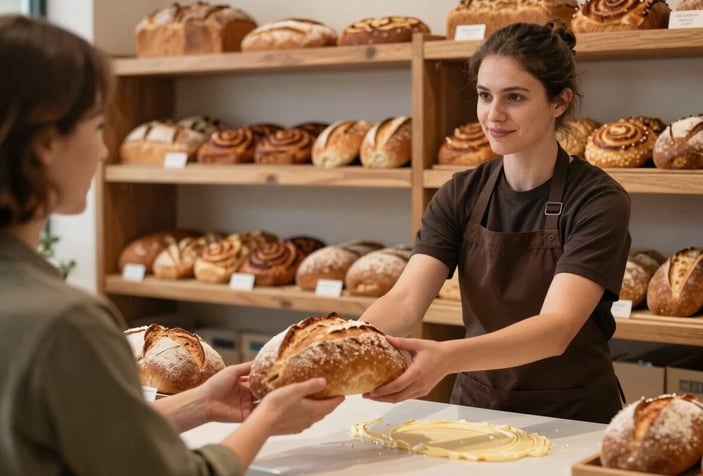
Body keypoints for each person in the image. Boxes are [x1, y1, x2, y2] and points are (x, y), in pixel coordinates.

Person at [0, 14, 343, 476]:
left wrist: (199, 402)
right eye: (98, 126)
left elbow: (79, 435)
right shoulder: (66, 322)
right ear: (45, 143)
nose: (105, 151)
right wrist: (265, 422)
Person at [360, 21, 631, 424]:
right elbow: (404, 301)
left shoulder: (597, 199)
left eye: (515, 97)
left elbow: (555, 328)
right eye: (485, 96)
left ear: (559, 102)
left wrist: (445, 358)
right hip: (476, 409)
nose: (494, 114)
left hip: (572, 417)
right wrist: (344, 343)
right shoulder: (460, 193)